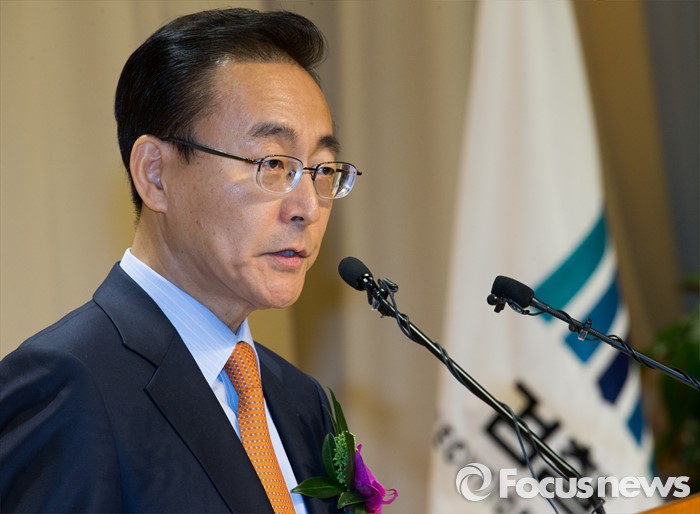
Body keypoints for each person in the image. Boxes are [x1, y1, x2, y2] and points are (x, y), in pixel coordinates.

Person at [0, 8, 361, 513]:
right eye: (274, 164)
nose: (307, 207)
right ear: (156, 175)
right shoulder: (69, 385)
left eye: (322, 170)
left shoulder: (302, 402)